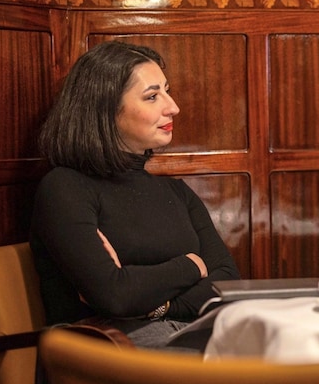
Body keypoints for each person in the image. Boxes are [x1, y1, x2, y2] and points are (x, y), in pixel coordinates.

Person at [30, 41, 241, 349]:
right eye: (152, 96)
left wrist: (157, 303)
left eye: (166, 91)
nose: (172, 107)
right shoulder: (65, 187)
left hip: (193, 337)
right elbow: (116, 296)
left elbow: (228, 281)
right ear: (105, 108)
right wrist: (192, 265)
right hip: (104, 355)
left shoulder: (175, 192)